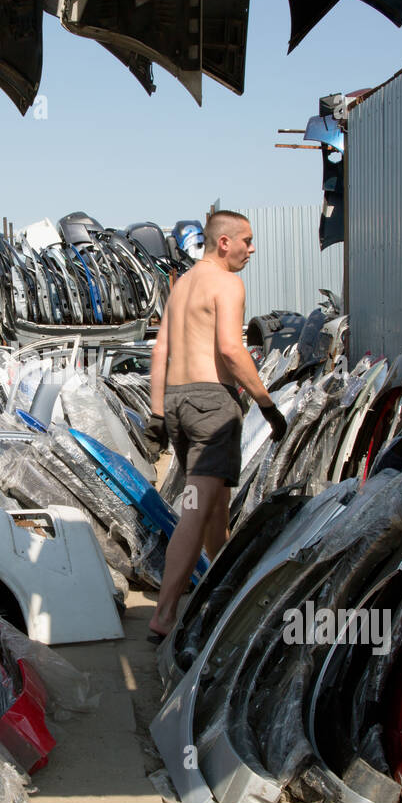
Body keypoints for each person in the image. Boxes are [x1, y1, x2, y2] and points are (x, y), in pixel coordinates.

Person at [145, 210, 287, 641]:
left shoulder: (181, 286)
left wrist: (157, 413)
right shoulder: (227, 283)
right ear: (224, 243)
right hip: (211, 405)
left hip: (178, 401)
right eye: (247, 240)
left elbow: (160, 351)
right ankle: (164, 615)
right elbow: (230, 349)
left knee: (213, 505)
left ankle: (221, 590)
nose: (252, 249)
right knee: (195, 507)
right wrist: (267, 405)